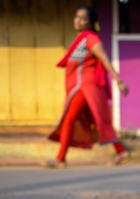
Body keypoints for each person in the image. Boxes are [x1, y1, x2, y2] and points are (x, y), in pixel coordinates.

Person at [41, 6, 130, 168]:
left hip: (84, 87)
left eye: (83, 18)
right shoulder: (81, 40)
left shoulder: (91, 39)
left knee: (69, 119)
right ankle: (121, 151)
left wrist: (119, 80)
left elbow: (104, 60)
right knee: (98, 120)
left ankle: (60, 158)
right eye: (77, 17)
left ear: (91, 23)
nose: (78, 20)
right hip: (79, 86)